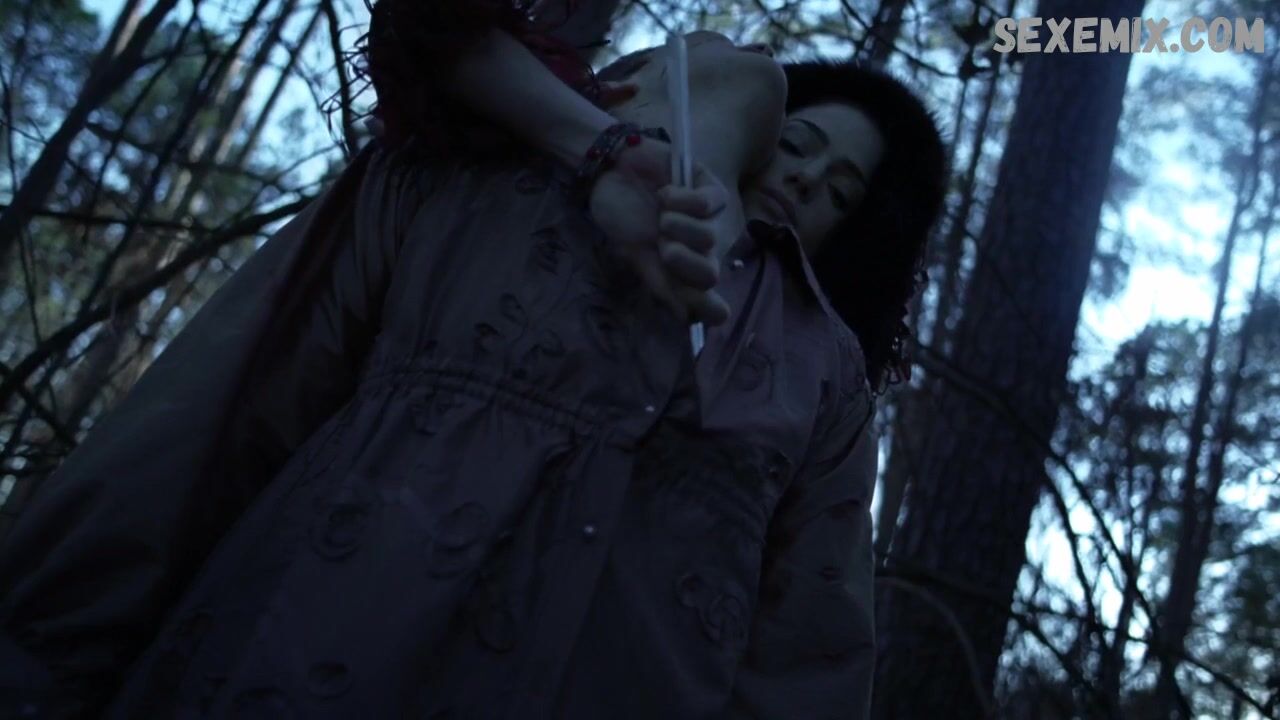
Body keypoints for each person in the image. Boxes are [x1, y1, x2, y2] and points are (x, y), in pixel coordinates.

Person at [0, 3, 946, 718]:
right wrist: (45, 661)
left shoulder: (824, 377)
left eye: (841, 191)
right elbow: (222, 422)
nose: (806, 181)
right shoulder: (463, 188)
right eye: (798, 147)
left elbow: (805, 653)